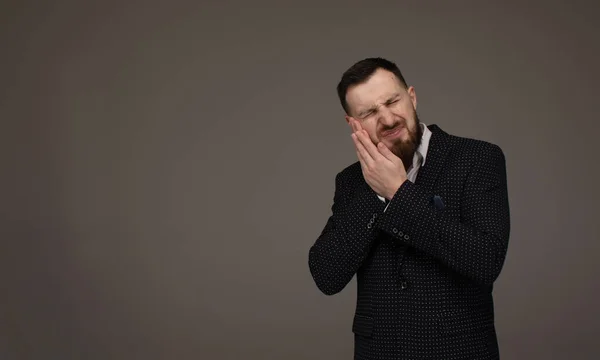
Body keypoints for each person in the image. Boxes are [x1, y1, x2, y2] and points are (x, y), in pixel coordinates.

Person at [308, 57, 510, 360]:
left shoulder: (477, 159)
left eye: (392, 101)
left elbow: (485, 260)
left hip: (458, 350)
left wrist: (398, 193)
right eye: (370, 112)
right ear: (353, 124)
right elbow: (326, 276)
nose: (388, 119)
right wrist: (375, 193)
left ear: (412, 97)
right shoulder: (351, 182)